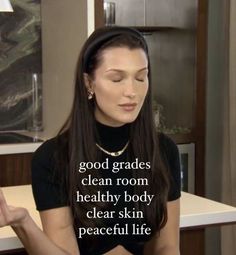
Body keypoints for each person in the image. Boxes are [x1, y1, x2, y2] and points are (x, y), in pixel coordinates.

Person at [0, 26, 181, 255]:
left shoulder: (164, 151)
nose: (132, 91)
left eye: (141, 77)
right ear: (88, 83)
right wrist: (22, 222)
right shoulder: (53, 158)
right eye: (117, 79)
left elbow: (167, 247)